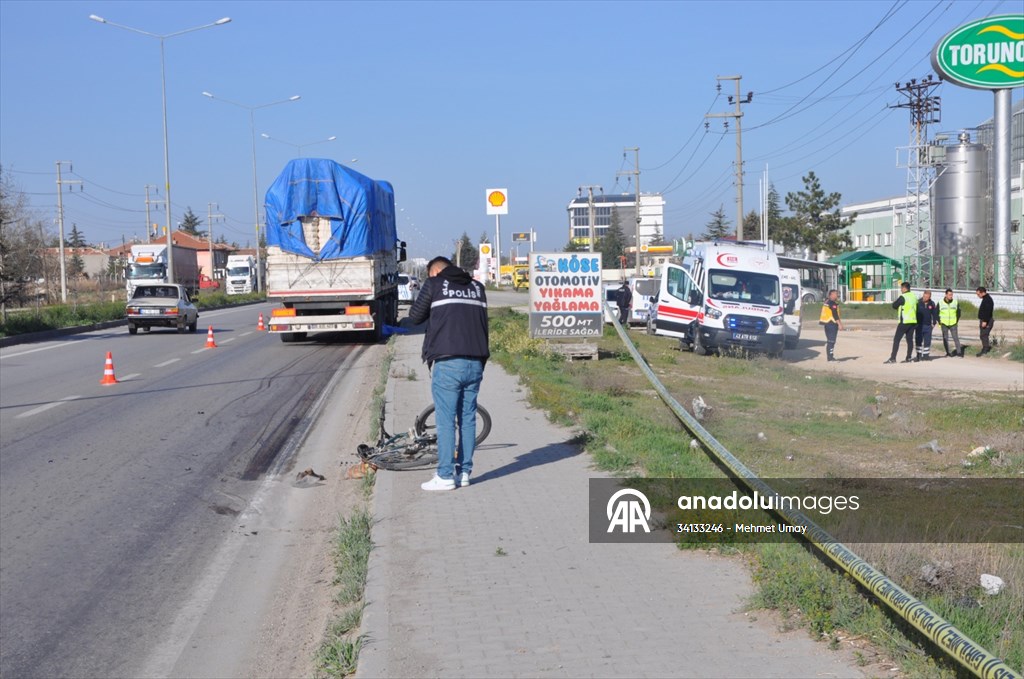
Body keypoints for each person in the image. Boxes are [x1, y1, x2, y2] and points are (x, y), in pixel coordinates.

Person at [405, 256, 489, 491]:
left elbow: (414, 317)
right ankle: (464, 473)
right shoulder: (477, 288)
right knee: (468, 419)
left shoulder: (434, 284)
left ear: (435, 271)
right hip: (476, 361)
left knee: (445, 421)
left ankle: (444, 476)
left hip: (448, 361)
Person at [885, 282, 917, 364]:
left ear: (904, 288)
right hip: (913, 321)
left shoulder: (903, 297)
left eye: (901, 288)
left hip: (904, 321)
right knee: (909, 340)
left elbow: (894, 305)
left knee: (897, 339)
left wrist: (898, 305)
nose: (901, 290)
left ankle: (893, 358)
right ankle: (909, 357)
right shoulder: (914, 296)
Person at [818, 289, 843, 362]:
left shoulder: (827, 301)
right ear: (831, 295)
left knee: (830, 341)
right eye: (835, 294)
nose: (837, 295)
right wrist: (840, 324)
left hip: (826, 324)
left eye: (837, 293)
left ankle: (830, 357)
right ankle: (830, 358)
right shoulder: (832, 303)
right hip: (832, 323)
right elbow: (835, 315)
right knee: (831, 341)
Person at [937, 288, 963, 357]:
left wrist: (956, 320)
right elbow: (936, 313)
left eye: (952, 295)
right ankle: (948, 352)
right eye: (949, 295)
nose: (951, 296)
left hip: (953, 323)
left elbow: (958, 312)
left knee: (955, 338)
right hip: (944, 324)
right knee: (945, 338)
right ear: (945, 295)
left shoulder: (955, 302)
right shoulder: (940, 302)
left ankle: (959, 352)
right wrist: (939, 321)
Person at [914, 290, 938, 361]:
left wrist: (933, 323)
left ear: (930, 297)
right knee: (918, 341)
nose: (925, 298)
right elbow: (914, 313)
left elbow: (934, 314)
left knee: (927, 341)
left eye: (927, 297)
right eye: (924, 296)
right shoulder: (918, 302)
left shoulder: (932, 303)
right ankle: (918, 356)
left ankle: (926, 356)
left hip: (928, 326)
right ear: (923, 295)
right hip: (919, 325)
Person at [976, 286, 994, 355]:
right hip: (984, 320)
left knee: (984, 335)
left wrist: (985, 321)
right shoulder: (985, 298)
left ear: (982, 292)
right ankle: (985, 348)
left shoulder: (988, 300)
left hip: (987, 321)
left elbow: (988, 311)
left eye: (978, 294)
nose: (978, 296)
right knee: (982, 335)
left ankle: (985, 350)